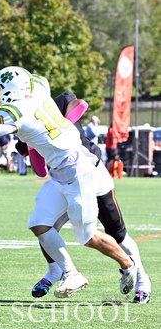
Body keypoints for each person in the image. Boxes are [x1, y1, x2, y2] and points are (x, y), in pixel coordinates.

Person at [0, 66, 138, 298]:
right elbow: (39, 82)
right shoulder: (39, 91)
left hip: (78, 172)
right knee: (39, 223)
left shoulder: (17, 111)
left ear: (11, 90)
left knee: (87, 236)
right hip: (61, 172)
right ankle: (70, 272)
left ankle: (128, 265)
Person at [17, 90, 150, 304]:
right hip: (64, 181)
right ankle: (55, 271)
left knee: (116, 233)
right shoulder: (22, 125)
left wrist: (59, 127)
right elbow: (40, 170)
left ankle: (142, 279)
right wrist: (32, 143)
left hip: (93, 174)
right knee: (43, 224)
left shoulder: (55, 103)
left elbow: (78, 104)